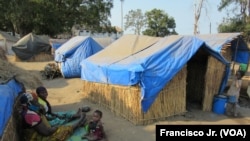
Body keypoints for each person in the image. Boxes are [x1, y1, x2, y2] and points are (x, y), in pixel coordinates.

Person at [19, 92, 86, 141]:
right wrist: (55, 128)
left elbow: (44, 118)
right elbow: (46, 132)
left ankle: (79, 122)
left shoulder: (26, 112)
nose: (37, 103)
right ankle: (80, 121)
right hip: (36, 137)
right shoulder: (31, 115)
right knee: (63, 130)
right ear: (29, 103)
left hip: (36, 133)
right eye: (34, 102)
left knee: (59, 122)